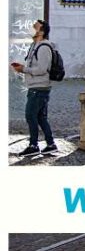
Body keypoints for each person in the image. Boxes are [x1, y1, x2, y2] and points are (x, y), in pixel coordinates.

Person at [10, 19, 57, 157]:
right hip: (37, 86)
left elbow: (42, 69)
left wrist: (24, 69)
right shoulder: (35, 46)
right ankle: (50, 144)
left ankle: (33, 145)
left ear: (41, 32)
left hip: (39, 87)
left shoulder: (43, 47)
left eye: (35, 27)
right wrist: (22, 67)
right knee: (41, 117)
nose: (32, 29)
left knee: (31, 116)